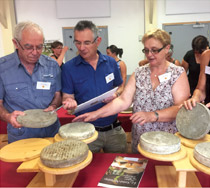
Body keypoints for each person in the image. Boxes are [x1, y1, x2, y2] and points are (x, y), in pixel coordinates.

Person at [73, 29, 190, 153]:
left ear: (167, 49)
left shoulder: (177, 73)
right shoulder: (140, 73)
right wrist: (95, 114)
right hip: (141, 138)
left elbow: (180, 108)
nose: (149, 54)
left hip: (167, 141)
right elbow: (123, 101)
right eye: (146, 50)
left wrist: (152, 115)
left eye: (154, 50)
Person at [61, 20, 127, 153]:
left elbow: (120, 86)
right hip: (85, 132)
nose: (81, 47)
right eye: (77, 42)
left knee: (120, 167)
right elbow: (67, 96)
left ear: (98, 41)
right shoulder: (69, 68)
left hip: (113, 129)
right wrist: (69, 101)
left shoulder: (111, 63)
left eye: (87, 42)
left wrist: (117, 94)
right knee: (87, 170)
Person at [0, 21, 62, 143]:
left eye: (39, 47)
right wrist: (8, 116)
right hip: (21, 135)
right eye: (28, 47)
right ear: (16, 43)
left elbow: (57, 94)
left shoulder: (52, 65)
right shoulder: (3, 68)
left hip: (51, 132)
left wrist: (54, 105)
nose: (35, 52)